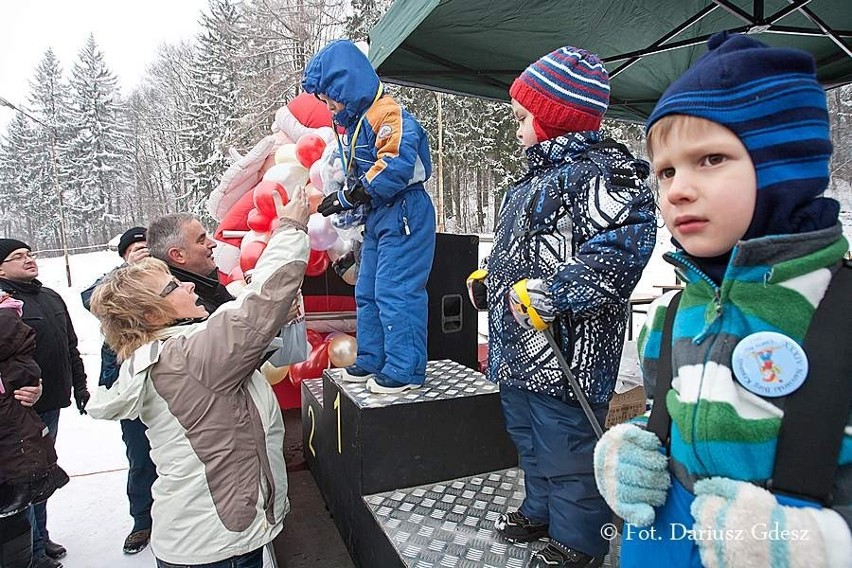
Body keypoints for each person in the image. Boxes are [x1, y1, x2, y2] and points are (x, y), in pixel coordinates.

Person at [593, 32, 852, 567]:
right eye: (665, 170)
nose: (676, 189)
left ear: (783, 165)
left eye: (710, 159)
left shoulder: (839, 313)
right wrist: (634, 452)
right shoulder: (671, 317)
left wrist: (818, 546)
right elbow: (669, 415)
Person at [475, 46, 656, 568]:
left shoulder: (604, 175)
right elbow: (526, 252)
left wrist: (554, 293)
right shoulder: (530, 180)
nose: (516, 127)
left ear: (554, 118)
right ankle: (542, 511)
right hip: (519, 351)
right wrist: (490, 281)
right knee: (528, 439)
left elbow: (619, 254)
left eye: (523, 116)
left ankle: (580, 542)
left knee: (570, 449)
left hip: (566, 354)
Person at [87, 188, 309, 567]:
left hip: (204, 539)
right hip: (217, 547)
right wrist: (290, 227)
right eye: (173, 287)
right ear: (154, 316)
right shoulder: (185, 356)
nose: (187, 284)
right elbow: (261, 303)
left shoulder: (172, 350)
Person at [302, 39, 436, 394]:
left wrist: (348, 197)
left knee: (397, 290)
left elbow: (395, 165)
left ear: (348, 84)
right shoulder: (357, 123)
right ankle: (375, 357)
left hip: (405, 209)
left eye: (331, 96)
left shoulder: (387, 114)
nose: (330, 106)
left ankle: (405, 368)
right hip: (378, 214)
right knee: (368, 289)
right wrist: (344, 198)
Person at [0, 239, 89, 567]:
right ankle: (31, 552)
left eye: (29, 254)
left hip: (49, 403)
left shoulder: (49, 296)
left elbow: (70, 346)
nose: (28, 260)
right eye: (17, 257)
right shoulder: (3, 304)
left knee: (41, 475)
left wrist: (79, 386)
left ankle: (40, 538)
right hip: (17, 412)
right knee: (23, 481)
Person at [81, 226, 156, 555]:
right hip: (131, 386)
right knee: (140, 457)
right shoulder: (111, 286)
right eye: (136, 248)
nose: (143, 252)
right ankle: (141, 520)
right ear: (124, 255)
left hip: (169, 381)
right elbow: (90, 299)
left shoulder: (168, 282)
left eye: (147, 247)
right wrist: (128, 272)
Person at [0, 293, 69, 568]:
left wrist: (32, 383)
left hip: (12, 448)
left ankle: (35, 550)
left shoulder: (8, 311)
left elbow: (22, 355)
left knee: (15, 519)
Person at [147, 213, 234, 314]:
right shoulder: (190, 308)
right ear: (178, 255)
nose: (213, 244)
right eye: (201, 240)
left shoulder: (206, 288)